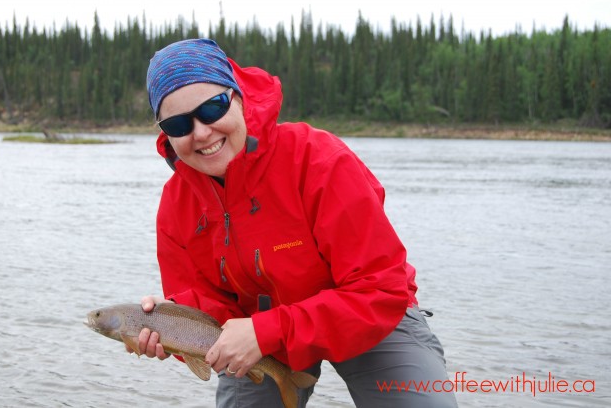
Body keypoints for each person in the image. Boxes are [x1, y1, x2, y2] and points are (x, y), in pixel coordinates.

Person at [130, 38, 458, 408]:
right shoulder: (176, 204)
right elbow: (213, 308)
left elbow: (381, 290)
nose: (202, 132)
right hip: (260, 338)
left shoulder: (318, 160)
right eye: (178, 123)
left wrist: (268, 330)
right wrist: (173, 324)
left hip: (369, 319)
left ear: (237, 97)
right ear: (167, 135)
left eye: (212, 107)